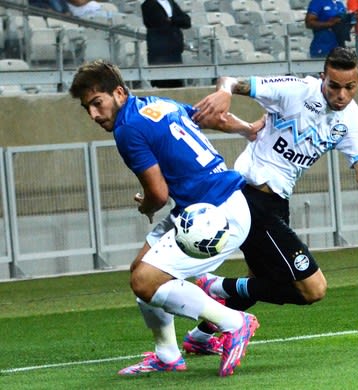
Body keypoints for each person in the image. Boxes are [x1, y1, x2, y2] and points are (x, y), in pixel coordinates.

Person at [183, 47, 358, 351]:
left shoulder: (350, 119)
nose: (341, 94)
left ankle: (201, 337)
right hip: (250, 196)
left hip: (276, 203)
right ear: (322, 77)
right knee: (313, 289)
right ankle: (215, 285)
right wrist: (225, 90)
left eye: (349, 87)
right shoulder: (295, 91)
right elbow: (232, 80)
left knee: (261, 281)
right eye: (334, 85)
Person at [69, 59, 259, 376]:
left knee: (146, 281)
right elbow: (208, 117)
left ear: (118, 92)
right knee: (139, 272)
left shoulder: (127, 129)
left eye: (97, 103)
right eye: (87, 108)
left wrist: (145, 206)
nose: (93, 114)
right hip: (204, 207)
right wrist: (245, 128)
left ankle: (235, 323)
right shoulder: (156, 104)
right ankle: (168, 355)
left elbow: (157, 194)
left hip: (216, 213)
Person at [141, 0, 191, 88]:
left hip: (175, 51)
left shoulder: (171, 3)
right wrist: (175, 20)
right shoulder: (148, 4)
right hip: (159, 53)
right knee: (162, 83)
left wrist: (171, 19)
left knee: (177, 83)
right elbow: (159, 23)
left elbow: (187, 21)